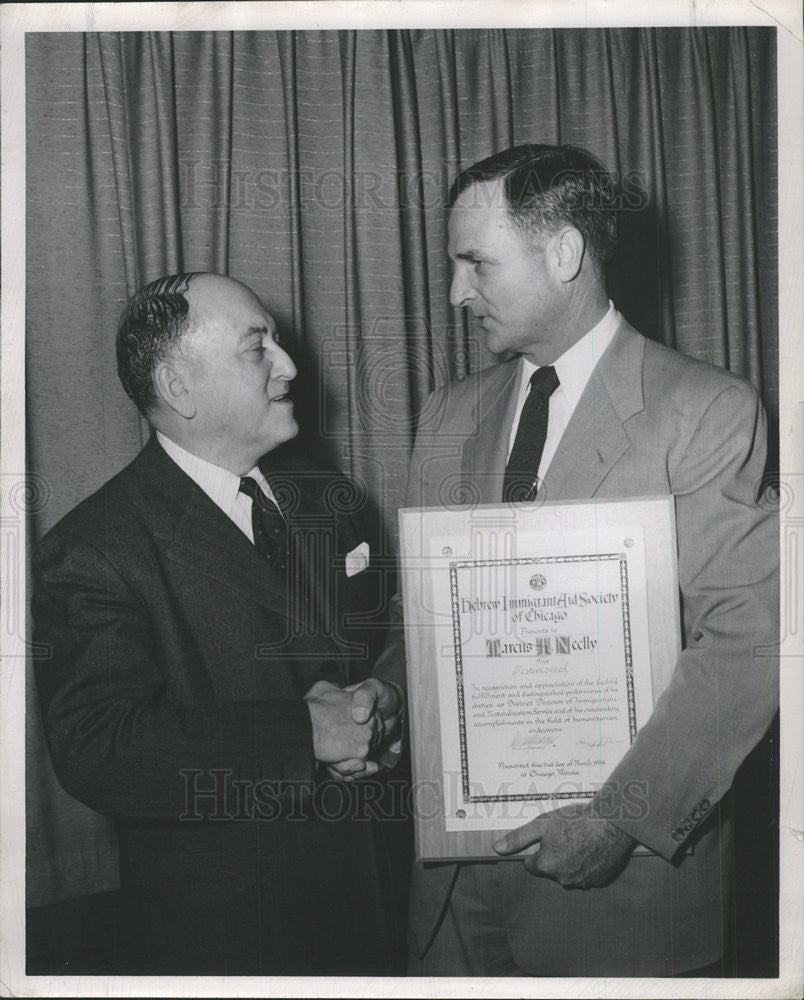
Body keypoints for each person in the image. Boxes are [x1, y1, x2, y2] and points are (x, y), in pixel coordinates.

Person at [364, 144, 779, 976]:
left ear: (564, 255)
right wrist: (388, 690)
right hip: (451, 899)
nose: (455, 293)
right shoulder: (447, 414)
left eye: (475, 263)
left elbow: (751, 639)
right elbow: (433, 624)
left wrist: (620, 818)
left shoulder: (705, 411)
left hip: (618, 898)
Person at [32, 272, 406, 975]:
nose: (290, 365)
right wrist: (305, 736)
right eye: (257, 346)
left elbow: (384, 640)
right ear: (178, 386)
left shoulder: (333, 497)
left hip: (382, 905)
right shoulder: (95, 549)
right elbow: (98, 746)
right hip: (234, 940)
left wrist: (387, 700)